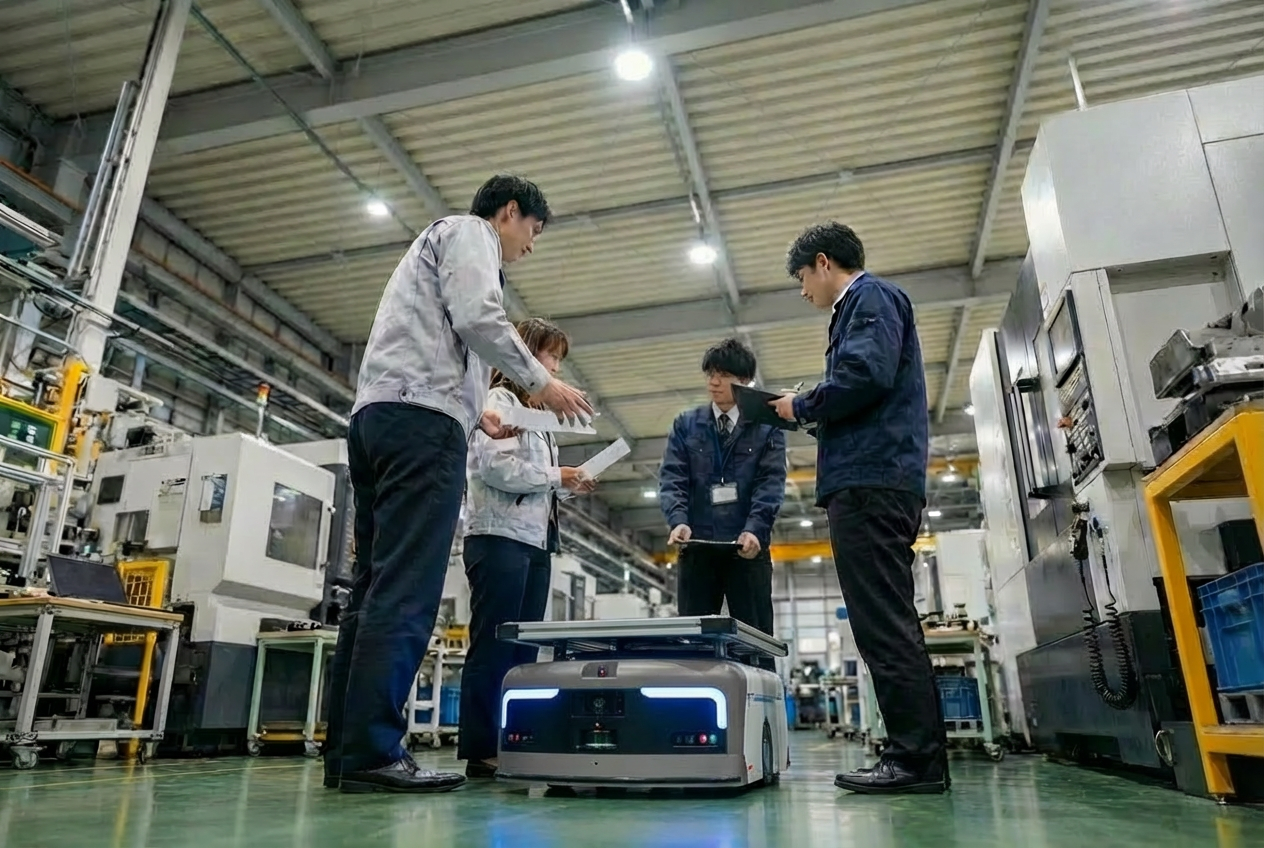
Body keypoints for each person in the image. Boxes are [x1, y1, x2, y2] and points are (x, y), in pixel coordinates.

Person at [323, 176, 592, 795]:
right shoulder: (470, 233)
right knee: (407, 589)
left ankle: (348, 750)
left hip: (381, 417)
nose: (531, 245)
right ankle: (372, 753)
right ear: (508, 212)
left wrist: (480, 414)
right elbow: (478, 317)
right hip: (421, 428)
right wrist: (538, 383)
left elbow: (442, 341)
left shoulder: (433, 249)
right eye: (533, 230)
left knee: (371, 589)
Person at [770, 222, 947, 795]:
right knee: (883, 623)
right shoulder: (862, 308)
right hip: (874, 477)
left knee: (884, 625)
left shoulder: (869, 297)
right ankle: (914, 755)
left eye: (802, 278)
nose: (803, 291)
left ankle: (916, 761)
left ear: (824, 263)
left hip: (872, 481)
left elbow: (863, 376)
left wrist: (802, 405)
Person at [457, 318, 597, 779]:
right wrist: (559, 476)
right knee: (494, 647)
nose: (554, 366)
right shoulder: (499, 404)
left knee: (522, 654)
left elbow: (538, 483)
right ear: (521, 355)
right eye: (548, 355)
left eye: (558, 358)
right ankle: (481, 748)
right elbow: (496, 470)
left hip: (534, 542)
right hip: (498, 538)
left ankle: (514, 740)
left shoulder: (541, 422)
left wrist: (571, 481)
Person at [658, 338, 787, 661]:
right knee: (693, 644)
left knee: (756, 641)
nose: (713, 382)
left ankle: (759, 710)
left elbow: (770, 483)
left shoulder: (766, 428)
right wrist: (678, 520)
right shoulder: (686, 425)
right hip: (697, 546)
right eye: (710, 374)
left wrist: (756, 529)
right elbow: (672, 478)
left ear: (744, 381)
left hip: (747, 549)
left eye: (723, 375)